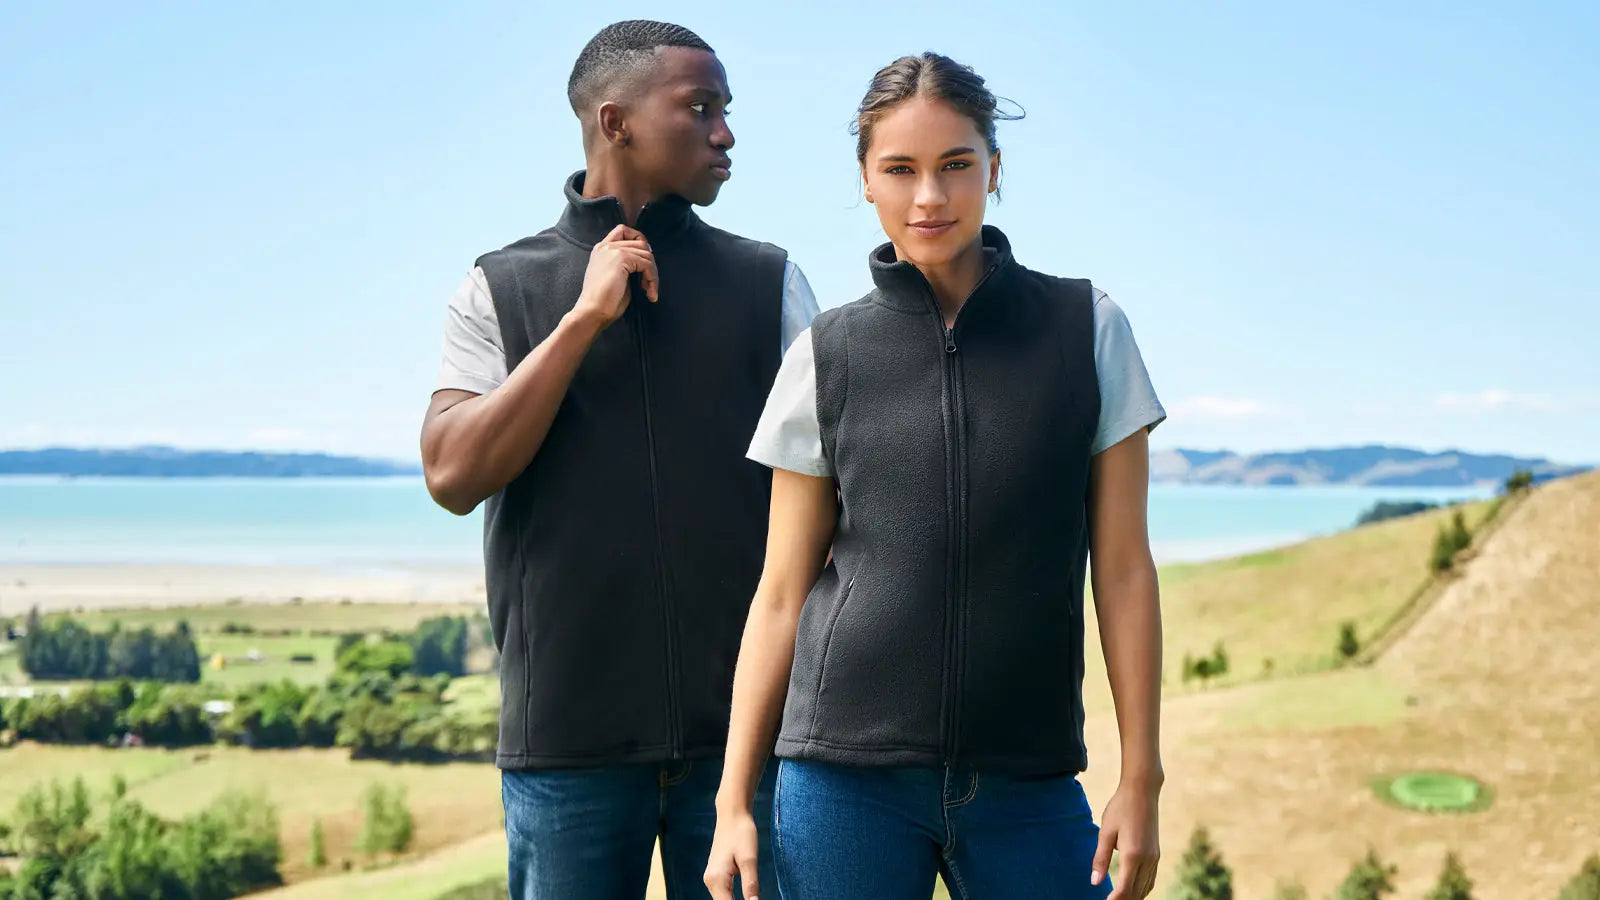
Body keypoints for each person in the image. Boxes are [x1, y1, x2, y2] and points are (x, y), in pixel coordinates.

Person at [705, 52, 1166, 900]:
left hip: (1027, 779)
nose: (929, 197)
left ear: (994, 169)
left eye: (956, 165)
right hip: (842, 783)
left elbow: (1125, 569)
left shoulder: (1087, 329)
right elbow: (781, 591)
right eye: (900, 170)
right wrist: (734, 798)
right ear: (865, 180)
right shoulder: (826, 354)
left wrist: (1142, 778)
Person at [420, 20, 818, 900]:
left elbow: (836, 497)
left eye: (726, 110)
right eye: (700, 108)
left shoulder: (772, 285)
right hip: (568, 750)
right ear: (616, 122)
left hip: (746, 749)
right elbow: (451, 476)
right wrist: (581, 321)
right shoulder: (500, 287)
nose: (725, 133)